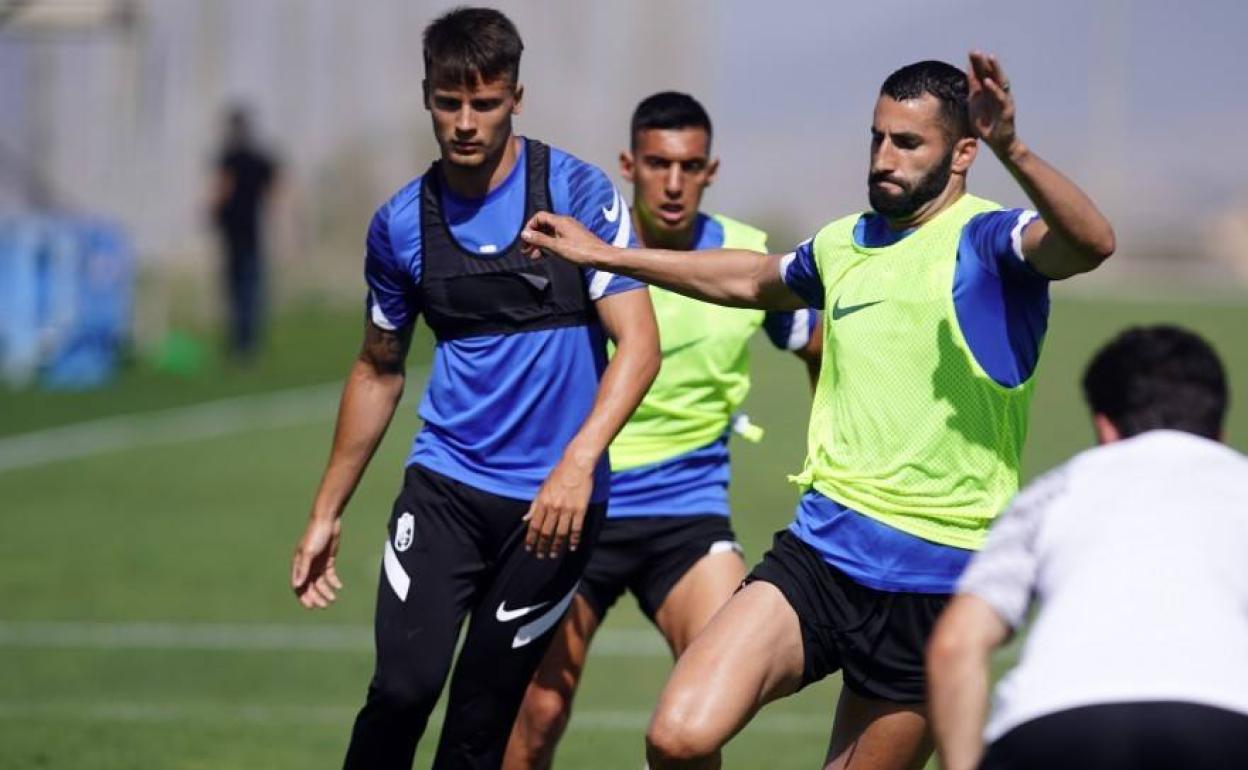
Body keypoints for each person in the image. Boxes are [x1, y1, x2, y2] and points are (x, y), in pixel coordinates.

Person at [520, 53, 1115, 770]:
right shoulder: (846, 242)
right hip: (822, 555)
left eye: (907, 143)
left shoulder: (989, 245)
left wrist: (1013, 148)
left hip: (937, 583)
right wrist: (608, 256)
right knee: (678, 736)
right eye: (877, 138)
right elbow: (748, 276)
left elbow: (1090, 242)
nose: (883, 158)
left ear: (964, 153)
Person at [287, 8, 660, 769]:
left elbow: (640, 346)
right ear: (426, 94)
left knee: (479, 723)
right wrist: (326, 511)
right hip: (446, 491)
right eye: (448, 102)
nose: (464, 122)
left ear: (516, 97)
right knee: (402, 690)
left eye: (484, 104)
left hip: (553, 513)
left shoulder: (577, 194)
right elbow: (377, 369)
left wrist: (577, 464)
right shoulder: (400, 226)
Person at [504, 92, 821, 770]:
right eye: (657, 164)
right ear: (630, 165)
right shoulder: (582, 251)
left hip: (687, 518)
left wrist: (834, 457)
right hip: (576, 509)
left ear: (710, 170)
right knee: (537, 709)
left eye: (690, 166)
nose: (673, 183)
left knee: (704, 713)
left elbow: (817, 344)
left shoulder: (747, 257)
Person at [927, 325, 1248, 770]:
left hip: (1048, 724)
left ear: (1105, 426)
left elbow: (955, 645)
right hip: (1228, 720)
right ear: (1221, 430)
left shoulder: (1054, 491)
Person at [210, 105, 278, 362]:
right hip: (251, 229)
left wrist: (213, 211)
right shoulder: (258, 157)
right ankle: (249, 342)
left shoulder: (231, 157)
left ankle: (241, 342)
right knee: (250, 287)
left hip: (235, 230)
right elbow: (273, 187)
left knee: (237, 287)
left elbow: (223, 188)